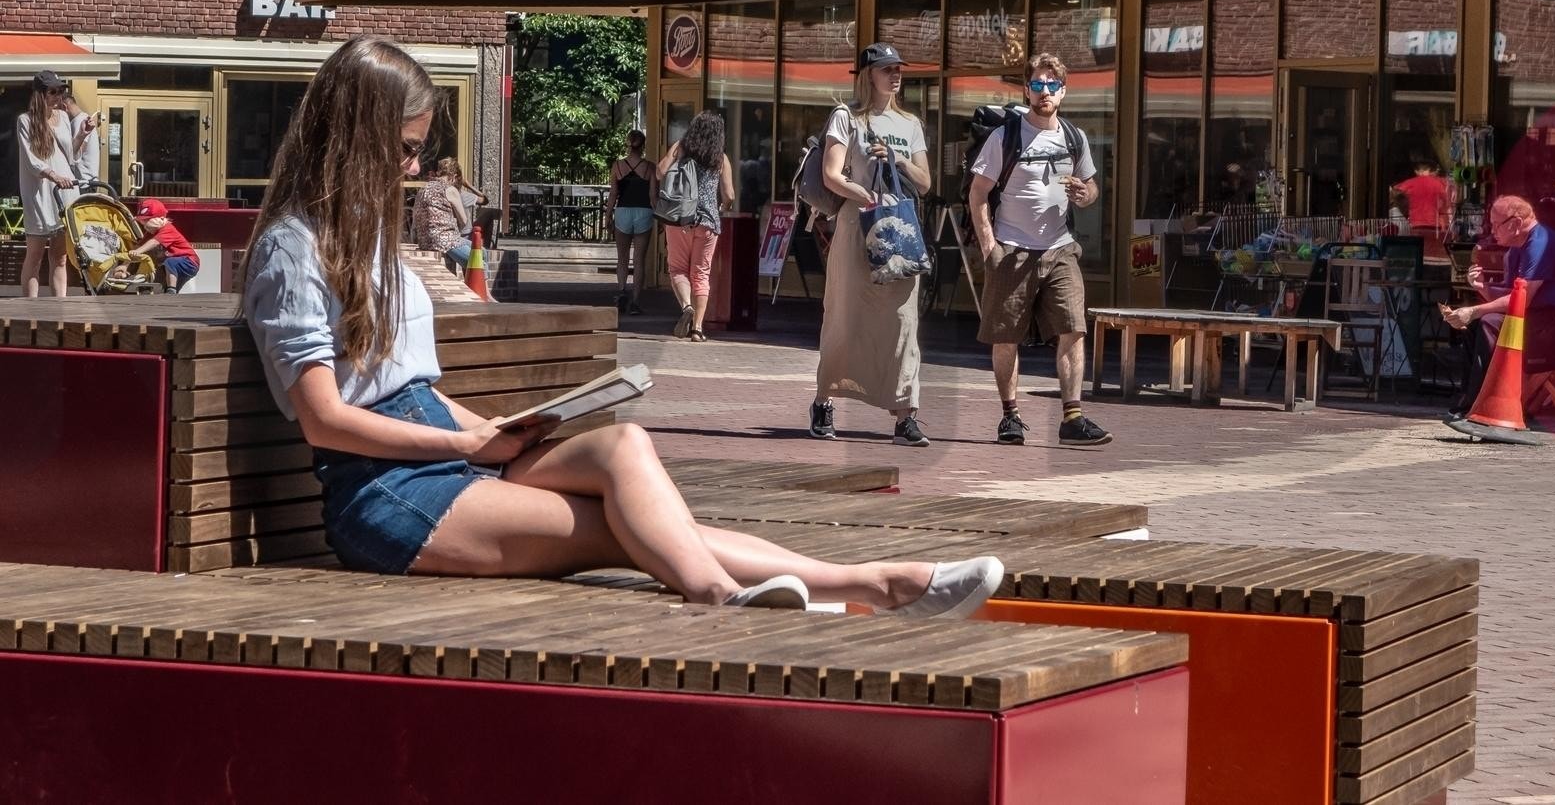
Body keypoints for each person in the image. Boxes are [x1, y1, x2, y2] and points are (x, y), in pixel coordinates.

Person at [238, 35, 1001, 619]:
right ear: (358, 135)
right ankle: (779, 591)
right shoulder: (292, 249)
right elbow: (325, 417)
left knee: (625, 447)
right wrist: (467, 444)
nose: (413, 168)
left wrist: (494, 431)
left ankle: (865, 581)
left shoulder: (368, 240)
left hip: (437, 452)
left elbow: (413, 389)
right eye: (407, 150)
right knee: (629, 528)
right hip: (386, 490)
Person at [968, 53, 1110, 448]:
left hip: (1060, 247)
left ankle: (1073, 417)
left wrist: (1085, 194)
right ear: (1026, 90)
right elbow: (978, 193)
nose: (1044, 91)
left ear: (1063, 91)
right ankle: (1010, 415)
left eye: (1052, 85)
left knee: (1073, 329)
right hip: (1011, 248)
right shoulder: (1005, 137)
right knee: (1006, 336)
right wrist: (989, 247)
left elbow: (1091, 186)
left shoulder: (1074, 137)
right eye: (1037, 84)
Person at [809, 43, 934, 448]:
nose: (895, 75)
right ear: (868, 74)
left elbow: (925, 182)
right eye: (886, 69)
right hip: (856, 223)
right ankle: (824, 401)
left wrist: (898, 159)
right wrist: (863, 194)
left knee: (904, 321)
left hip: (899, 227)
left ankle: (905, 415)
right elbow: (831, 174)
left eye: (898, 69)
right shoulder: (846, 117)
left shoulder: (910, 123)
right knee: (845, 316)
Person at [1443, 194, 1555, 417]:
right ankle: (1471, 399)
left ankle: (1487, 402)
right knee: (1476, 324)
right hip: (1542, 320)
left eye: (1496, 225)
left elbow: (1521, 300)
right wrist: (1481, 287)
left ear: (1516, 223)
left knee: (1488, 323)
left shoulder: (1540, 244)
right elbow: (1511, 296)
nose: (1491, 231)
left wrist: (1474, 310)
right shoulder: (1515, 248)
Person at [656, 112, 733, 342]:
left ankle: (686, 306)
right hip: (708, 222)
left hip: (679, 218)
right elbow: (729, 195)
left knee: (677, 269)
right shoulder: (720, 158)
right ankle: (698, 329)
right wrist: (723, 206)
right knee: (701, 274)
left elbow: (660, 171)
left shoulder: (681, 148)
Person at [15, 70, 81, 298]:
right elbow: (32, 160)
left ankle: (59, 306)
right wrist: (53, 175)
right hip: (40, 192)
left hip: (64, 191)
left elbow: (70, 156)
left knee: (60, 256)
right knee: (35, 255)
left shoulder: (63, 117)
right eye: (53, 91)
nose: (58, 96)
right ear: (40, 94)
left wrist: (82, 135)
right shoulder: (25, 120)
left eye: (60, 91)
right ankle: (30, 307)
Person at [607, 129, 656, 315]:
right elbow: (653, 196)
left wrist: (608, 215)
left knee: (622, 258)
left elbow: (613, 194)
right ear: (643, 146)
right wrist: (661, 218)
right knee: (639, 260)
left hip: (623, 212)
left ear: (627, 144)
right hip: (644, 212)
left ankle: (621, 293)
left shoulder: (617, 166)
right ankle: (635, 301)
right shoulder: (650, 167)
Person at [129, 198, 202, 293]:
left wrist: (137, 252)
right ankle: (167, 293)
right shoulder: (151, 232)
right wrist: (124, 265)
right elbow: (138, 246)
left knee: (170, 262)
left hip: (189, 262)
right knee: (161, 280)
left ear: (162, 219)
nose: (146, 227)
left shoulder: (167, 229)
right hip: (174, 265)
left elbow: (153, 242)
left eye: (148, 223)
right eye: (143, 224)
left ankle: (171, 289)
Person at [411, 158, 472, 271]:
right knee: (479, 259)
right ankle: (477, 282)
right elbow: (464, 221)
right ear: (453, 176)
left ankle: (469, 277)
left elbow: (415, 217)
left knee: (480, 251)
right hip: (445, 241)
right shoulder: (450, 189)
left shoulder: (423, 189)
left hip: (424, 241)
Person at [1392, 158, 1448, 257]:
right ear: (1429, 170)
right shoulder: (1438, 184)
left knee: (1417, 253)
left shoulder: (1410, 183)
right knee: (1431, 253)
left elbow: (1394, 192)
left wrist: (1404, 209)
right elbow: (1445, 204)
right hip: (1434, 225)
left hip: (1416, 224)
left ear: (1416, 171)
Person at [61, 91, 101, 184]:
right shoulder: (80, 119)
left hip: (84, 182)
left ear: (64, 107)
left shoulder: (79, 121)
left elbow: (78, 151)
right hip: (86, 181)